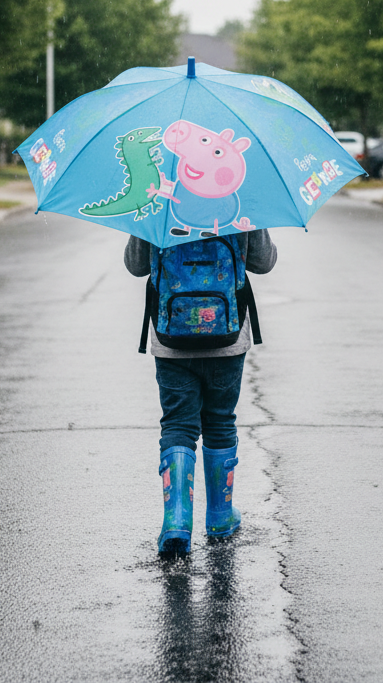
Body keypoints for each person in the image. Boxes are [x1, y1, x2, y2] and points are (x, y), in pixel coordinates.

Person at [124, 229, 278, 556]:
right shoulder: (242, 204)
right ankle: (221, 517)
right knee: (220, 421)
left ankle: (176, 522)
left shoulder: (157, 202)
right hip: (227, 332)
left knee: (178, 424)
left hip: (171, 334)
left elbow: (135, 265)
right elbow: (264, 262)